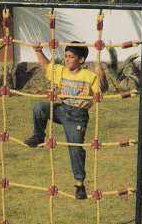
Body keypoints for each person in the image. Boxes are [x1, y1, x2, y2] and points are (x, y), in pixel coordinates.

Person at [24, 41, 108, 200]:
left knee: (75, 148)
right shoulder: (61, 71)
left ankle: (79, 184)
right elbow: (47, 67)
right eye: (66, 56)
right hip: (62, 109)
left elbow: (103, 90)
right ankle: (38, 136)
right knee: (40, 107)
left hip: (78, 116)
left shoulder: (89, 76)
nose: (67, 59)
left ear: (81, 60)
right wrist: (38, 51)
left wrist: (100, 72)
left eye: (71, 57)